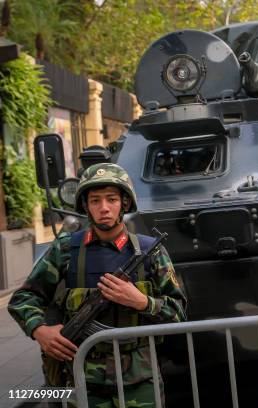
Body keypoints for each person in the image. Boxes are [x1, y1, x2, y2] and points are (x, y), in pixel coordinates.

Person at [8, 162, 187, 407]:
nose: (104, 208)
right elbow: (23, 299)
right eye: (95, 201)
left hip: (139, 380)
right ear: (86, 206)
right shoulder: (66, 249)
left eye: (112, 199)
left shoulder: (149, 251)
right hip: (81, 380)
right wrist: (40, 330)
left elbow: (178, 312)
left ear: (124, 204)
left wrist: (142, 301)